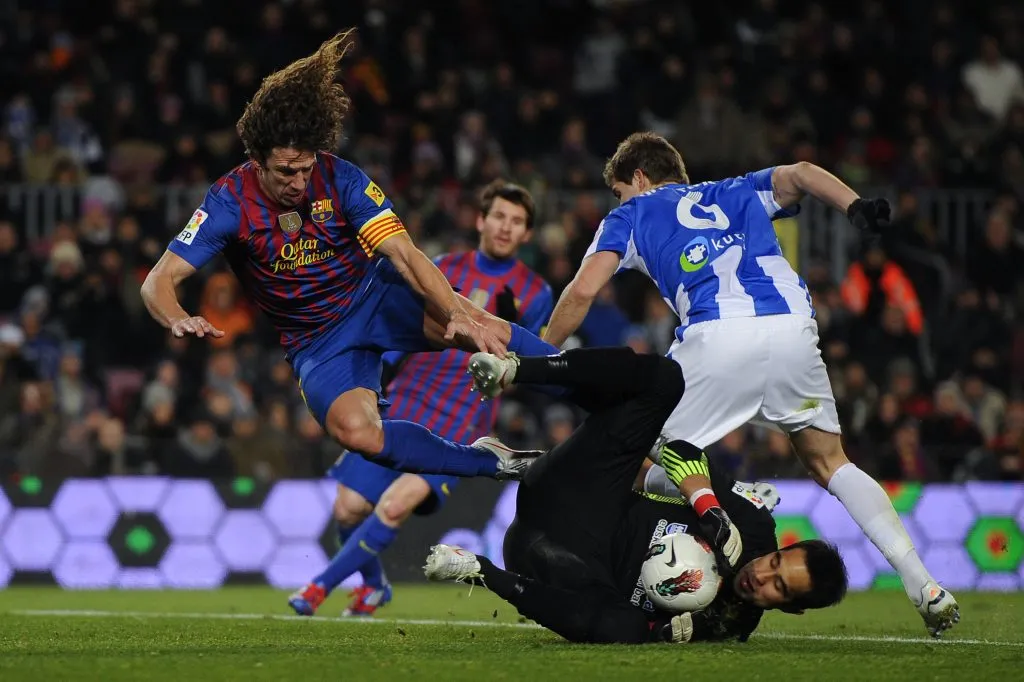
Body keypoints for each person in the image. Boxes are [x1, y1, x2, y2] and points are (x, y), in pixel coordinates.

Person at [472, 132, 958, 637]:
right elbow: (802, 173)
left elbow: (582, 290)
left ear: (638, 177)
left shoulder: (631, 215)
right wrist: (855, 206)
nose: (618, 201)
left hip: (717, 336)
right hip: (792, 328)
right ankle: (923, 583)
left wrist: (544, 363)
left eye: (618, 191)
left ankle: (724, 494)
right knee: (831, 462)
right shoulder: (737, 189)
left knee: (635, 446)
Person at [140, 32, 558, 483]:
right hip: (316, 340)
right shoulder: (229, 203)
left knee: (486, 329)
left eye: (305, 169)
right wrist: (177, 316)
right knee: (359, 433)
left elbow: (404, 254)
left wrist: (457, 313)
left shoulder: (341, 178)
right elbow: (157, 281)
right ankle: (492, 461)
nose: (299, 182)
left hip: (376, 297)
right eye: (286, 172)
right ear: (257, 161)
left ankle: (590, 383)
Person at [427, 347, 848, 644]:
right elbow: (679, 452)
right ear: (780, 549)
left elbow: (662, 631)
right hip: (575, 500)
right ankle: (514, 370)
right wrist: (709, 506)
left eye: (780, 587)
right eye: (775, 563)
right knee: (666, 379)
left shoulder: (732, 622)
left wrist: (663, 634)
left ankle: (477, 569)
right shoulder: (752, 525)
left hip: (559, 570)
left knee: (625, 631)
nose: (762, 576)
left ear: (791, 608)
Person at [288, 180, 552, 616]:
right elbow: (393, 327)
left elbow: (530, 360)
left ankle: (317, 588)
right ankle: (374, 587)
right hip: (406, 400)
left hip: (462, 416)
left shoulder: (535, 292)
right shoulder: (443, 266)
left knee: (395, 505)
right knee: (348, 508)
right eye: (499, 216)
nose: (506, 227)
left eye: (517, 221)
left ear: (527, 234)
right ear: (481, 220)